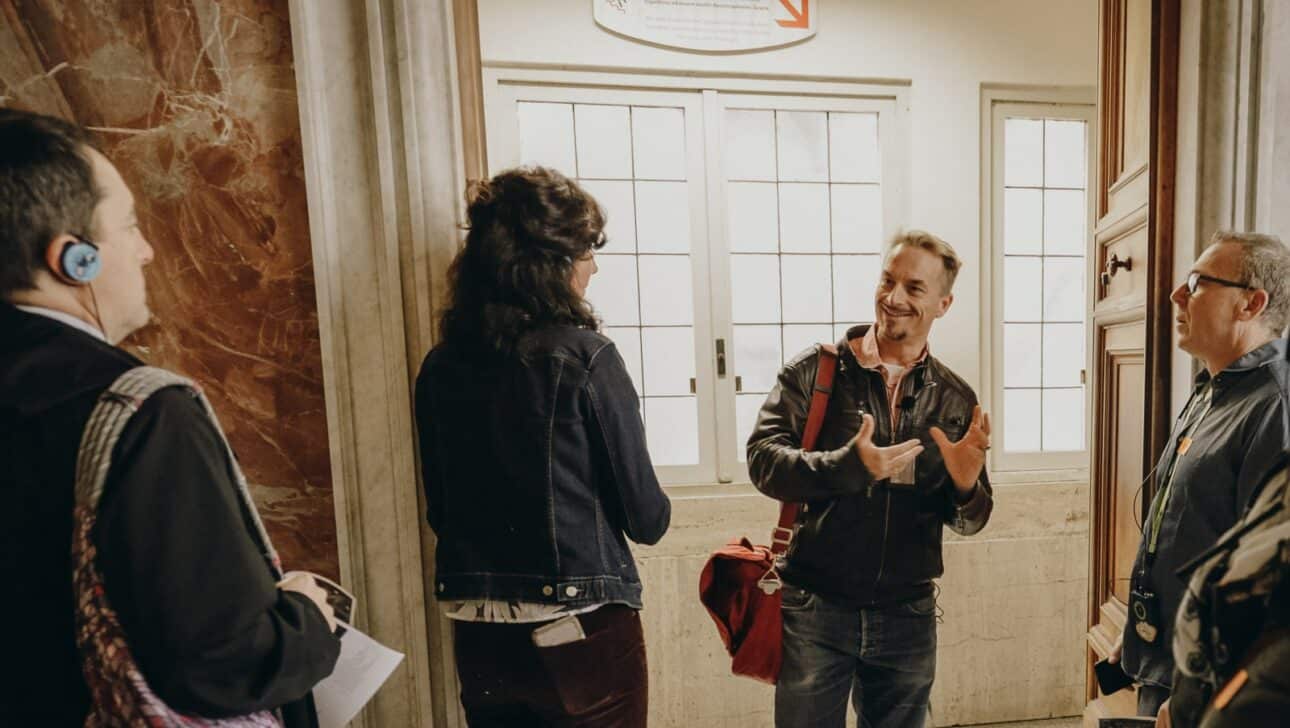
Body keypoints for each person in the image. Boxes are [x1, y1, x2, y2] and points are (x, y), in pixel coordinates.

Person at [0, 109, 340, 726]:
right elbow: (227, 663)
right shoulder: (142, 410)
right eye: (128, 226)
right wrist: (307, 617)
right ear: (73, 260)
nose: (149, 251)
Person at [415, 166, 671, 727]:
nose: (593, 266)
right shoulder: (585, 357)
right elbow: (647, 518)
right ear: (549, 265)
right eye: (584, 251)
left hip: (480, 638)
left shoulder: (440, 366)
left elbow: (441, 511)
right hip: (580, 632)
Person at [747, 230, 994, 728]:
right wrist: (847, 466)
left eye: (914, 288)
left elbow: (971, 521)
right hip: (815, 608)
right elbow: (763, 460)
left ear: (943, 304)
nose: (894, 298)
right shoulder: (815, 373)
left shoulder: (954, 398)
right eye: (888, 280)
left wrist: (967, 488)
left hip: (908, 616)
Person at [1109, 231, 1290, 724]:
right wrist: (1137, 637)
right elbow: (1189, 531)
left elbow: (1265, 589)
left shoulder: (1274, 407)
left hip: (1206, 692)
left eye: (1197, 282)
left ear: (1251, 304)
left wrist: (1191, 699)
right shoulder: (1214, 387)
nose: (1175, 295)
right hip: (1165, 663)